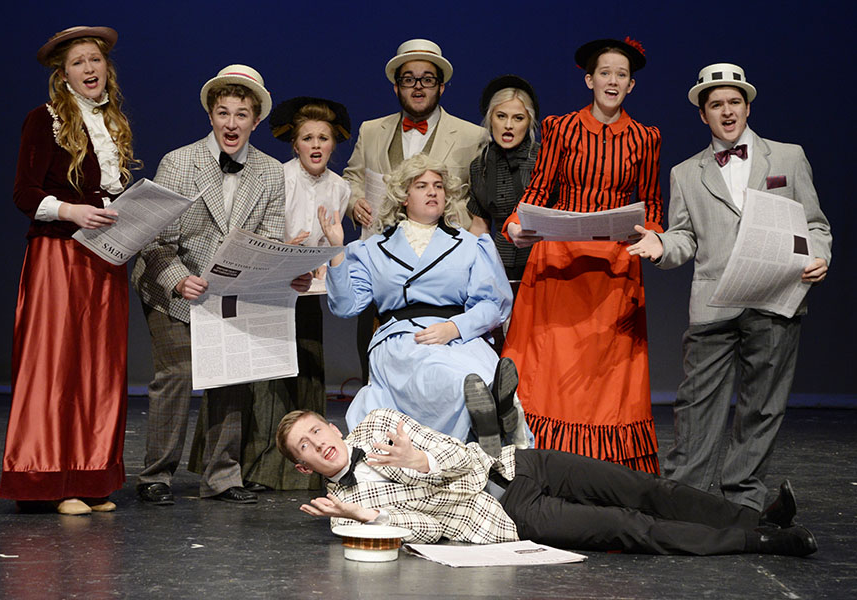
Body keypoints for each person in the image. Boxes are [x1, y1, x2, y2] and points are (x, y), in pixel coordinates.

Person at [627, 63, 832, 512]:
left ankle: (743, 500)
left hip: (776, 297)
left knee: (762, 405)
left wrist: (819, 254)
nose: (726, 111)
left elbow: (815, 223)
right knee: (696, 404)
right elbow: (684, 237)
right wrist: (660, 245)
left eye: (733, 102)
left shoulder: (788, 157)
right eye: (716, 104)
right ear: (703, 115)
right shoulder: (686, 173)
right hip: (716, 302)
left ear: (748, 106)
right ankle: (686, 499)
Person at [276, 407, 818, 556]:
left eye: (317, 429)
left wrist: (421, 461)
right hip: (512, 515)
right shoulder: (345, 509)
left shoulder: (375, 422)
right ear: (304, 467)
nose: (319, 442)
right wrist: (372, 520)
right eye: (306, 446)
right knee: (633, 527)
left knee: (648, 489)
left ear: (332, 424)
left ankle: (758, 517)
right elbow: (429, 527)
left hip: (517, 467)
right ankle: (764, 541)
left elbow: (462, 459)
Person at [131, 64, 311, 506]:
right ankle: (156, 475)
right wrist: (179, 281)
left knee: (232, 379)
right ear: (211, 116)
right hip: (171, 285)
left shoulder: (269, 172)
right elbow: (154, 240)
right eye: (224, 113)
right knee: (176, 375)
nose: (232, 124)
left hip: (230, 292)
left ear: (255, 120)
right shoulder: (180, 162)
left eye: (242, 114)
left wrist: (287, 271)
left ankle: (222, 476)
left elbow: (266, 241)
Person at [502, 37, 663, 473]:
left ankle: (607, 475)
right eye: (605, 72)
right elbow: (538, 190)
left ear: (631, 85)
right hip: (559, 261)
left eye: (622, 75)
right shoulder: (560, 128)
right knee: (553, 368)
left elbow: (652, 204)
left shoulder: (646, 138)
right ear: (590, 79)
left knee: (606, 377)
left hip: (614, 267)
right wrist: (518, 224)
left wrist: (654, 236)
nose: (613, 80)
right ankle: (544, 468)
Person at [0, 26, 140, 515]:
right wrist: (71, 211)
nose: (90, 70)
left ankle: (90, 476)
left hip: (104, 259)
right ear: (63, 74)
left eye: (96, 61)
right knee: (56, 366)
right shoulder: (45, 120)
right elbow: (24, 193)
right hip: (59, 257)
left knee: (100, 369)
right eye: (79, 62)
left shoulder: (114, 122)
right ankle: (47, 480)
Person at [187, 97, 352, 491]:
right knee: (264, 380)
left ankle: (298, 469)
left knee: (303, 374)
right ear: (294, 145)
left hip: (309, 294)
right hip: (268, 291)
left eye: (323, 138)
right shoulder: (278, 177)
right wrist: (285, 247)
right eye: (307, 138)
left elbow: (332, 244)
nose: (315, 145)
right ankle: (254, 467)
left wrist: (325, 255)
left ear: (333, 145)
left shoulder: (340, 188)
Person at [319, 154, 518, 456]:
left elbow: (493, 304)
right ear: (403, 197)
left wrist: (454, 328)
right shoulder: (372, 249)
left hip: (459, 335)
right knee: (449, 376)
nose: (433, 192)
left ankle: (495, 417)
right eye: (422, 185)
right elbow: (346, 307)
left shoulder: (470, 244)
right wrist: (336, 250)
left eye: (438, 186)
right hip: (403, 340)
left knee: (479, 370)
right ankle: (484, 422)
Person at [342, 38, 489, 383]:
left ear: (441, 86)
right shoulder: (372, 130)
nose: (418, 87)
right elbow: (352, 177)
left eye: (427, 79)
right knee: (376, 355)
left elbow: (482, 195)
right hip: (384, 262)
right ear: (397, 86)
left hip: (444, 268)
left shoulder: (471, 135)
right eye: (409, 79)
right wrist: (354, 202)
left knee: (442, 365)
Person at [468, 75, 549, 281]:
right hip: (498, 268)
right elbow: (480, 226)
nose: (508, 125)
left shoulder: (545, 160)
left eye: (518, 118)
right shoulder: (480, 166)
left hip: (543, 265)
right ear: (490, 118)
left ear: (529, 121)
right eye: (501, 116)